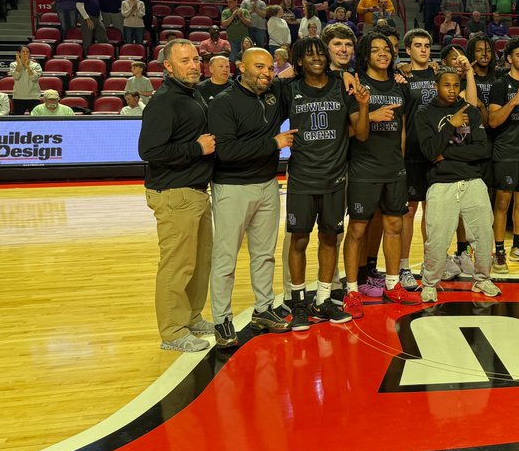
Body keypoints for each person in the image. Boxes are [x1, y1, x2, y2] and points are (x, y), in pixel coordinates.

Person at [281, 36, 370, 330]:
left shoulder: (341, 87)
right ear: (299, 61)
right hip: (303, 179)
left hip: (335, 178)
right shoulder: (289, 89)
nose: (317, 58)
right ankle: (297, 302)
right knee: (300, 240)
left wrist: (364, 105)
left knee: (330, 238)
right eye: (309, 55)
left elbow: (362, 132)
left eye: (320, 53)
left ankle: (322, 299)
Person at [206, 48, 295, 346]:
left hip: (268, 185)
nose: (266, 73)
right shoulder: (223, 103)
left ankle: (263, 309)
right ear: (240, 66)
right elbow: (227, 152)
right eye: (259, 67)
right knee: (225, 258)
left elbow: (299, 73)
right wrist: (274, 143)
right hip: (232, 188)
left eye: (270, 68)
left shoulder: (272, 95)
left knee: (264, 254)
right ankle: (222, 320)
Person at [138, 39, 217, 353]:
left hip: (195, 192)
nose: (194, 65)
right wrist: (196, 149)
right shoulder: (165, 100)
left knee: (199, 264)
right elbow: (149, 150)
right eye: (185, 60)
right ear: (168, 66)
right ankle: (172, 332)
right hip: (174, 194)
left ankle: (191, 317)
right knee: (177, 266)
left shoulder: (192, 94)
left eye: (196, 59)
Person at [414, 70, 502, 302]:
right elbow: (430, 151)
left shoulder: (471, 111)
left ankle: (482, 280)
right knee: (437, 239)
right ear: (436, 86)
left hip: (473, 181)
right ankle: (430, 283)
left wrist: (446, 153)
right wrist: (450, 126)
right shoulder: (424, 113)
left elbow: (482, 150)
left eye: (455, 85)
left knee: (484, 234)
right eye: (446, 85)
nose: (452, 90)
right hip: (441, 183)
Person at [342, 33, 410, 316]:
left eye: (387, 49)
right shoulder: (356, 85)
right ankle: (352, 290)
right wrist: (371, 113)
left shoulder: (399, 85)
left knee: (394, 225)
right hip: (364, 168)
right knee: (358, 229)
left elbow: (402, 128)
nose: (383, 53)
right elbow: (355, 133)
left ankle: (393, 283)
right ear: (365, 55)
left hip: (394, 168)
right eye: (376, 50)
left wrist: (400, 160)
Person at [487, 37, 519, 270]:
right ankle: (498, 250)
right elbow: (493, 121)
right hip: (505, 151)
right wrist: (514, 101)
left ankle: (517, 245)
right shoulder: (500, 84)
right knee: (503, 202)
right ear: (509, 59)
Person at [396, 28, 439, 291]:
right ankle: (404, 266)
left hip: (435, 151)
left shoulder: (438, 73)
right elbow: (401, 119)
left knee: (432, 211)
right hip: (411, 151)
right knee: (409, 210)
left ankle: (429, 262)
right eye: (418, 45)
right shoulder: (401, 77)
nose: (423, 49)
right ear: (408, 50)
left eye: (426, 45)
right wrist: (399, 155)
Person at [8, 46, 43, 115]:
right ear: (18, 54)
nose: (25, 53)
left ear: (30, 54)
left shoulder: (36, 65)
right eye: (23, 52)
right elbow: (16, 76)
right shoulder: (13, 65)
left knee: (35, 119)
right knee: (18, 119)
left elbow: (34, 78)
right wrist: (19, 64)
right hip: (18, 96)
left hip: (34, 96)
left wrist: (27, 67)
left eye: (27, 52)